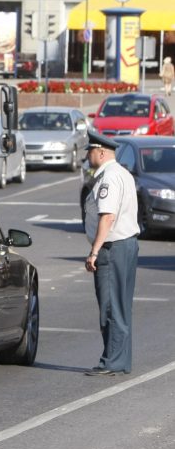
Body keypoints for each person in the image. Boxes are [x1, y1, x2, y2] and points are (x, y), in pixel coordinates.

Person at [82, 130, 140, 377]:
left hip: (112, 248)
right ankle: (121, 359)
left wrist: (94, 251)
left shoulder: (108, 178)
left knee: (110, 306)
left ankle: (112, 361)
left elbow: (107, 216)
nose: (88, 156)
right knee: (121, 305)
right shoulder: (122, 173)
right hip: (126, 245)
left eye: (90, 151)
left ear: (101, 152)